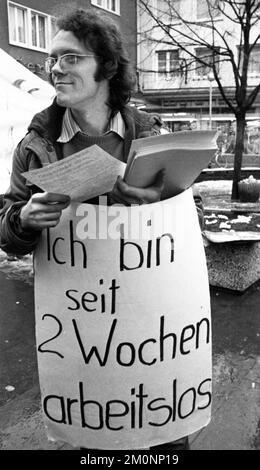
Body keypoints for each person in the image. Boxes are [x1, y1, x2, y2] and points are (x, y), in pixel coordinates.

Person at [0, 8, 203, 450]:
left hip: (154, 330)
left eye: (71, 58)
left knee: (163, 441)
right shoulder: (35, 146)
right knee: (99, 439)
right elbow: (8, 230)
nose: (56, 68)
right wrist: (23, 220)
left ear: (105, 66)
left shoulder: (151, 134)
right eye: (53, 59)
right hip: (82, 331)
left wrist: (160, 200)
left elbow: (189, 219)